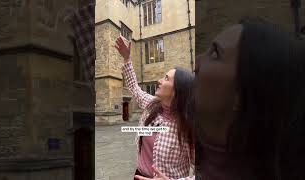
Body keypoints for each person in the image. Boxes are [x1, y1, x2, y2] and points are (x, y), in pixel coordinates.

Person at [135, 17, 305, 180]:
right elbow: (137, 94)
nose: (197, 63)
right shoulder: (155, 107)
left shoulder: (187, 126)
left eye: (215, 54)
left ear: (240, 94)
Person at [114, 35, 195, 179]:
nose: (159, 81)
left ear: (177, 90)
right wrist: (127, 58)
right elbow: (135, 89)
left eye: (166, 78)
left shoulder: (189, 126)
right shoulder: (153, 105)